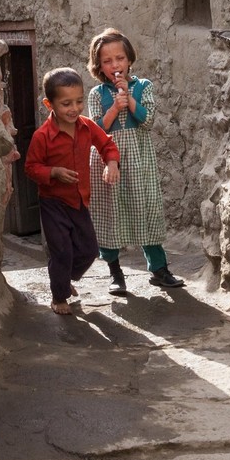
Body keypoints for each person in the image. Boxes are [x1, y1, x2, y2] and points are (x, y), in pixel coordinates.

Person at [85, 29, 185, 294]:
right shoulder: (97, 93)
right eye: (107, 61)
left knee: (146, 209)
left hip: (139, 158)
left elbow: (148, 121)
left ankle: (159, 269)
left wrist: (128, 99)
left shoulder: (144, 87)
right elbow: (97, 130)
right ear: (99, 66)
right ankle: (115, 273)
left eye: (119, 58)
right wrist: (114, 108)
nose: (115, 65)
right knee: (110, 213)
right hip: (107, 160)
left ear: (129, 59)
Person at [24, 67, 119, 315]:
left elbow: (107, 144)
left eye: (79, 101)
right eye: (66, 103)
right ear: (49, 104)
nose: (74, 109)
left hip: (79, 200)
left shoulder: (86, 126)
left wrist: (111, 163)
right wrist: (53, 172)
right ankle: (59, 297)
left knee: (89, 250)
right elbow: (31, 168)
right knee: (62, 251)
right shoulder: (42, 136)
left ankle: (64, 278)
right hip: (53, 202)